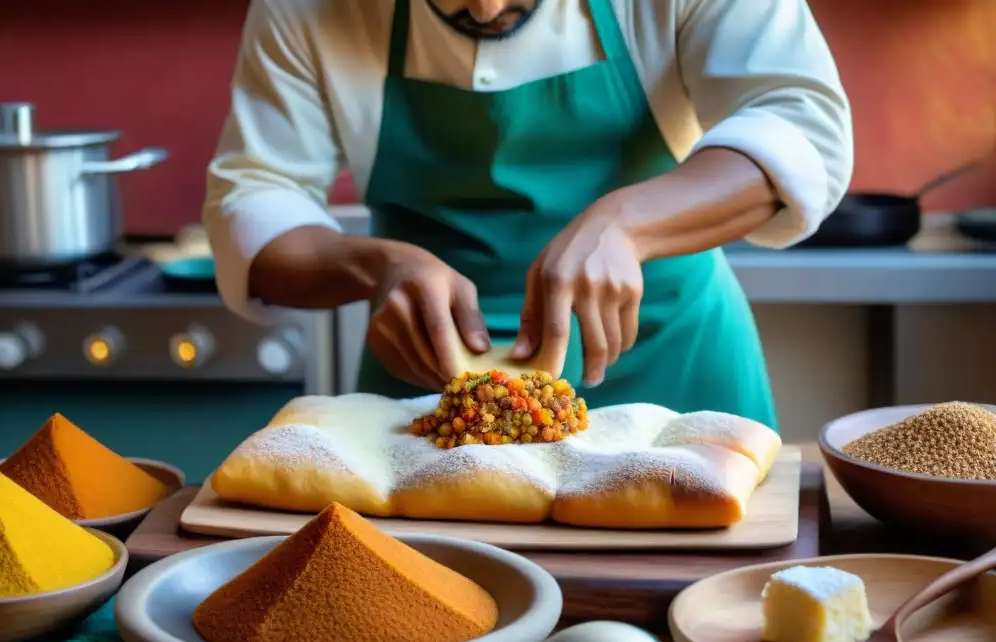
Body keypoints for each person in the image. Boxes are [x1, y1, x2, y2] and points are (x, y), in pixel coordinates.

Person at [205, 0, 853, 430]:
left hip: (672, 370)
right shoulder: (305, 8)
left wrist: (630, 224)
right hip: (432, 394)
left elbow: (800, 122)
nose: (485, 8)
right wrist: (376, 266)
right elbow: (255, 197)